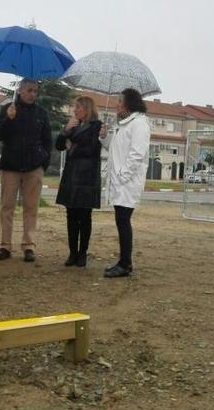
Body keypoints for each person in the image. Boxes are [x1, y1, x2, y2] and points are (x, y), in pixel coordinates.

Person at [0, 79, 52, 263]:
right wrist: (8, 120)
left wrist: (43, 162)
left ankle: (28, 246)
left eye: (35, 91)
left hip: (34, 167)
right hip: (11, 166)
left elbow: (47, 140)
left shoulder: (41, 113)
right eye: (29, 90)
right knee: (7, 207)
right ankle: (5, 245)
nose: (33, 94)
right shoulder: (8, 109)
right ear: (20, 91)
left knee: (31, 208)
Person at [101, 88, 150, 278]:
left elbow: (137, 154)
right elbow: (115, 149)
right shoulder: (124, 124)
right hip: (121, 181)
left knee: (123, 220)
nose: (116, 105)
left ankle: (125, 264)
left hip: (127, 182)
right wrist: (105, 137)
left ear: (128, 104)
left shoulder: (139, 124)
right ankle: (124, 262)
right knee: (121, 220)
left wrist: (122, 175)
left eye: (119, 102)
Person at [55, 96, 102, 267]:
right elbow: (59, 145)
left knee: (85, 216)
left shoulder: (97, 126)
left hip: (87, 177)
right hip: (71, 175)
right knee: (71, 216)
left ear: (88, 109)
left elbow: (91, 148)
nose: (75, 111)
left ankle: (83, 253)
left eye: (79, 107)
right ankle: (72, 253)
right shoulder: (72, 126)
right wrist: (65, 131)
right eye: (75, 107)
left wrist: (72, 145)